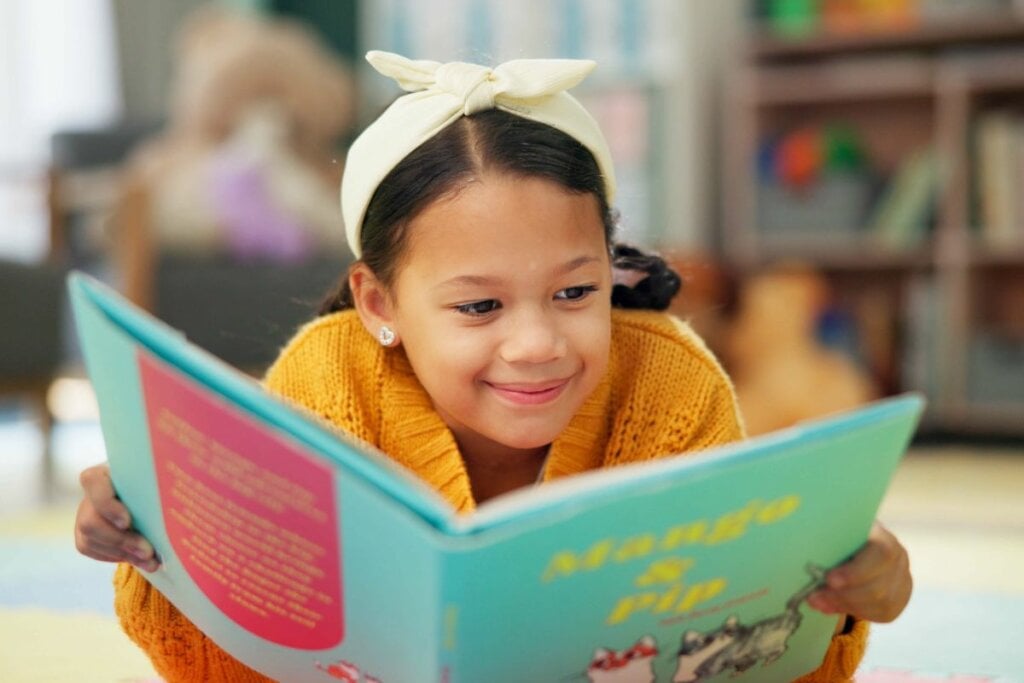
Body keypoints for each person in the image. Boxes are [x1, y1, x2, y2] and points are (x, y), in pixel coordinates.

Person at [73, 51, 911, 683]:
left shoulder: (672, 385)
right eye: (479, 307)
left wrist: (839, 593)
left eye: (576, 291)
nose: (537, 344)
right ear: (379, 304)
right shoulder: (325, 383)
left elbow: (751, 652)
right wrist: (158, 544)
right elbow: (226, 664)